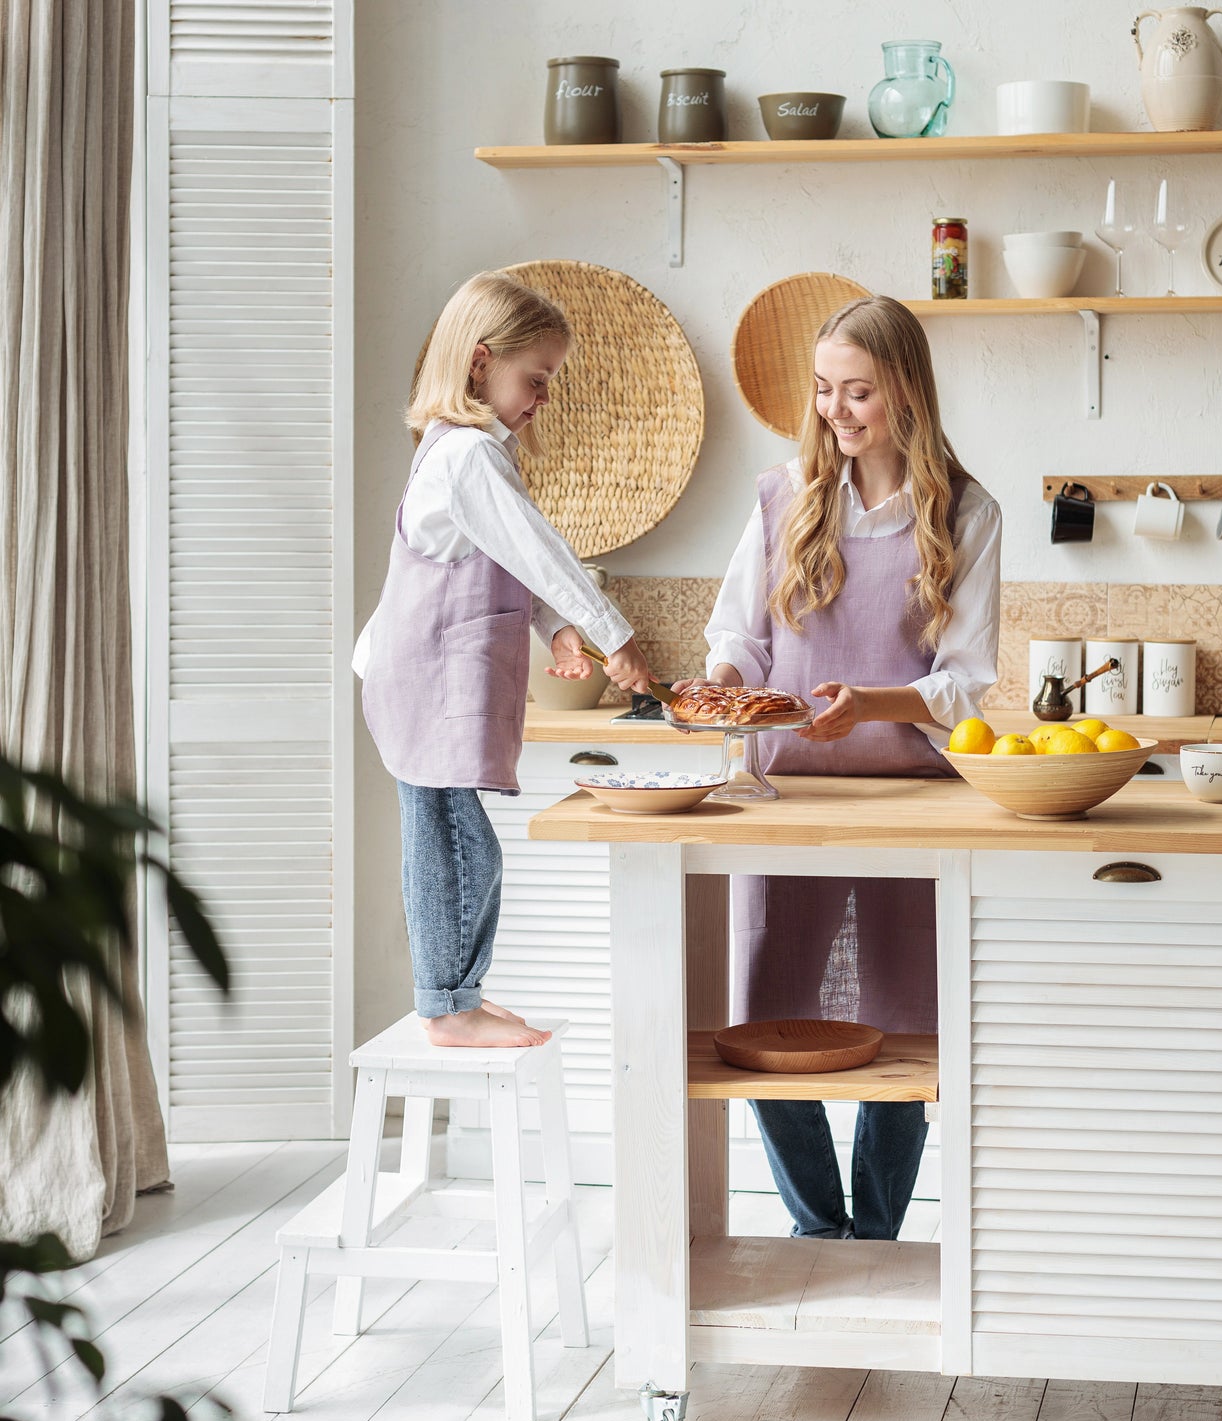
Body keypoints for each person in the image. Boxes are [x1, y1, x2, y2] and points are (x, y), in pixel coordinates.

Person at [698, 295, 1001, 1238]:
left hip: (914, 805)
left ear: (906, 388)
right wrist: (718, 685)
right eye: (825, 389)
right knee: (761, 1020)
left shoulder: (967, 510)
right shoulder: (782, 495)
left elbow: (966, 682)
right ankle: (816, 1225)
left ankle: (873, 1232)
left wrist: (871, 704)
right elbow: (739, 639)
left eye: (858, 391)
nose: (836, 410)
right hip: (783, 795)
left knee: (909, 1022)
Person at [355, 270, 652, 1048]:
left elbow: (511, 558)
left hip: (419, 680)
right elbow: (539, 550)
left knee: (452, 838)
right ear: (481, 362)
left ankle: (455, 996)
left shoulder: (464, 453)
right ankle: (449, 1007)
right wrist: (609, 633)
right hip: (426, 683)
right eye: (538, 377)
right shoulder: (467, 458)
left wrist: (558, 630)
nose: (543, 397)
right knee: (455, 844)